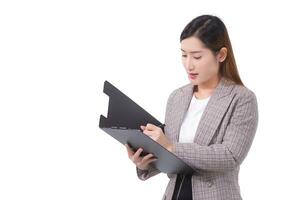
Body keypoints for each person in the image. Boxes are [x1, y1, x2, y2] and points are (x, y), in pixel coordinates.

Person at [125, 14, 258, 200]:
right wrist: (145, 162)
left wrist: (171, 146)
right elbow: (171, 158)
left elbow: (230, 156)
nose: (188, 64)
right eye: (184, 55)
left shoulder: (241, 98)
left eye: (197, 56)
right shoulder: (177, 98)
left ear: (221, 55)